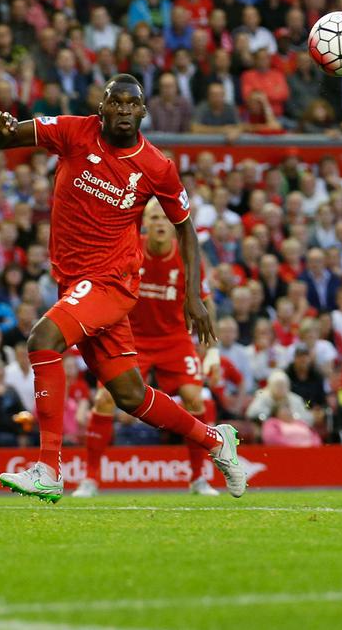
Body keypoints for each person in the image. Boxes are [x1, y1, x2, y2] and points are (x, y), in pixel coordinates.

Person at [0, 73, 245, 503]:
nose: (124, 110)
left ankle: (49, 469)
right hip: (74, 281)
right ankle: (215, 440)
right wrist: (2, 128)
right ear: (102, 106)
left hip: (110, 282)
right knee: (129, 395)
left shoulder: (156, 166)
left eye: (132, 104)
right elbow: (2, 140)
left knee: (43, 340)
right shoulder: (73, 131)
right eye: (116, 102)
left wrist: (193, 294)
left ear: (143, 112)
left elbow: (186, 229)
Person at [74, 199, 220, 498]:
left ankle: (198, 478)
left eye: (165, 218)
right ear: (144, 223)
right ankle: (90, 478)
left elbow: (206, 301)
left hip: (175, 339)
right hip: (132, 339)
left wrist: (212, 349)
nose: (160, 223)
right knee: (104, 399)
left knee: (195, 398)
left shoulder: (187, 256)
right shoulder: (131, 250)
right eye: (154, 217)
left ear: (174, 224)